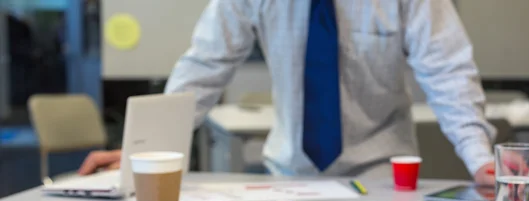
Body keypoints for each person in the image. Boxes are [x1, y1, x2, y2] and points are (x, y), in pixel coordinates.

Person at [79, 0, 498, 185]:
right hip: (290, 174)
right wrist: (148, 149)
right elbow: (205, 64)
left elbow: (447, 67)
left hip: (381, 172)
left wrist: (480, 159)